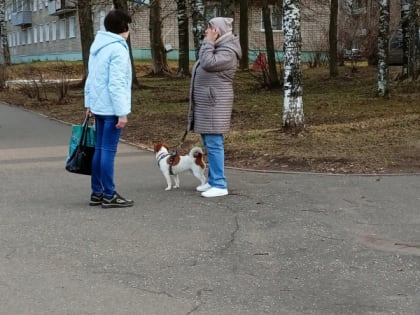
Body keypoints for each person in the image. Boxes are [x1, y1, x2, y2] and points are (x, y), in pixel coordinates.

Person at [187, 17, 242, 198]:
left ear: (217, 31)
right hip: (208, 104)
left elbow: (208, 62)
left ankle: (220, 184)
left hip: (214, 104)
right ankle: (212, 180)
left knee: (214, 143)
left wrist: (208, 42)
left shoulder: (228, 52)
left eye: (209, 28)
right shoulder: (219, 48)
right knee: (209, 142)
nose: (206, 31)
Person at [84, 9, 134, 208]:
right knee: (107, 152)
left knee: (99, 150)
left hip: (98, 106)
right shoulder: (118, 49)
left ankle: (97, 193)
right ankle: (109, 194)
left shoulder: (97, 47)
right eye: (128, 25)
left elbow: (91, 78)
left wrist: (88, 104)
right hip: (112, 108)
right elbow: (117, 83)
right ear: (123, 27)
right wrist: (122, 112)